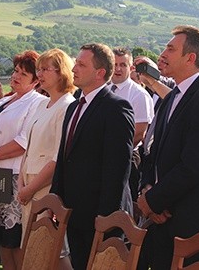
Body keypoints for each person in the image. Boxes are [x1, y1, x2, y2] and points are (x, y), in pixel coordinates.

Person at [137, 25, 199, 269]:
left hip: (193, 221)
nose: (162, 54)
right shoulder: (173, 96)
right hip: (163, 218)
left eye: (170, 49)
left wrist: (154, 201)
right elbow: (152, 152)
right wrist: (146, 190)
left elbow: (195, 165)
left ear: (190, 57)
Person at [50, 43, 135, 270]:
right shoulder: (73, 107)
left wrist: (107, 217)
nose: (74, 68)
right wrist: (55, 198)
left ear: (99, 73)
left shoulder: (116, 107)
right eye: (76, 62)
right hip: (74, 211)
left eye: (81, 64)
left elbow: (118, 167)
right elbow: (64, 156)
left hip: (99, 214)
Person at [0, 51, 47, 270]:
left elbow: (23, 141)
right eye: (16, 71)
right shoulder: (3, 101)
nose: (16, 77)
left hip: (15, 176)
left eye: (23, 74)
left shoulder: (38, 103)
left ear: (36, 80)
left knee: (15, 238)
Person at [17, 49, 75, 269]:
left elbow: (57, 156)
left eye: (45, 69)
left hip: (45, 186)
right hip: (28, 184)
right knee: (32, 249)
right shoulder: (42, 103)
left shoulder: (67, 105)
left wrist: (30, 188)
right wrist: (21, 182)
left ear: (61, 73)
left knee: (51, 250)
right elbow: (28, 145)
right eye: (38, 69)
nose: (39, 74)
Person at [110, 47, 154, 198]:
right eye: (115, 64)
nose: (118, 69)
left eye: (123, 65)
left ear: (131, 68)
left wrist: (112, 151)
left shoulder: (139, 95)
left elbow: (139, 133)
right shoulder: (102, 89)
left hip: (126, 158)